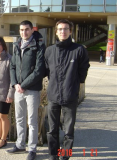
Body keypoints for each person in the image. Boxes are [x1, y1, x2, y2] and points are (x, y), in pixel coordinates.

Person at [44, 19, 90, 160]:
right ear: (56, 32)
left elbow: (83, 71)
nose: (63, 31)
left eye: (65, 29)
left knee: (68, 131)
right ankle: (53, 155)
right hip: (53, 96)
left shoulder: (79, 50)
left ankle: (65, 156)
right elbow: (47, 71)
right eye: (60, 29)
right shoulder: (50, 51)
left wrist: (75, 83)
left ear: (70, 31)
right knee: (52, 130)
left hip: (70, 96)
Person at [6, 20, 46, 160]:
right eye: (22, 30)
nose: (24, 32)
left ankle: (32, 149)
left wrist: (24, 85)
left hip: (32, 90)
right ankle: (20, 144)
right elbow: (12, 67)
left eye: (27, 29)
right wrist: (15, 84)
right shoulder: (17, 45)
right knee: (19, 118)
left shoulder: (39, 45)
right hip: (18, 89)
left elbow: (39, 70)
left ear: (32, 30)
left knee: (31, 120)